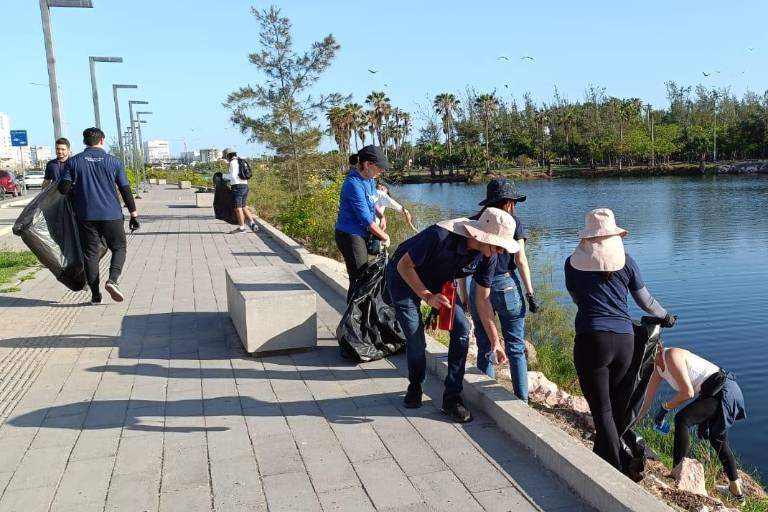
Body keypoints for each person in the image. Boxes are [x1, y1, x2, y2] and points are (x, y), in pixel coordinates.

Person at [564, 208, 675, 469]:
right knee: (614, 408)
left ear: (587, 237)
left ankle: (616, 470)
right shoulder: (628, 262)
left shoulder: (572, 264)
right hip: (625, 342)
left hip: (592, 341)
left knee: (602, 412)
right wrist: (666, 316)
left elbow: (577, 299)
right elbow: (646, 301)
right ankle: (606, 460)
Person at [387, 207, 518, 423]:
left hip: (440, 282)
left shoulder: (489, 256)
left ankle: (452, 397)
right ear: (482, 236)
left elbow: (483, 300)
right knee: (415, 337)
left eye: (503, 248)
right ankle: (415, 385)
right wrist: (427, 296)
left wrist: (495, 341)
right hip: (403, 276)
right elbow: (404, 265)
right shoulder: (440, 236)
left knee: (462, 329)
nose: (500, 252)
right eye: (498, 246)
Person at [639, 345, 746, 503]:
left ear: (654, 350)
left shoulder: (671, 355)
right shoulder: (657, 369)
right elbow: (646, 402)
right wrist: (632, 421)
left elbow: (687, 393)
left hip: (723, 390)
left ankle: (678, 472)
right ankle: (737, 493)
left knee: (682, 419)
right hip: (713, 392)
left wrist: (665, 408)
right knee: (718, 441)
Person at [465, 179, 537, 401]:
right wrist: (530, 292)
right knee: (515, 347)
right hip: (506, 284)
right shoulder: (514, 223)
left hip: (478, 287)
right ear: (507, 202)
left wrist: (462, 294)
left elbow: (463, 262)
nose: (514, 206)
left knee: (484, 343)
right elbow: (521, 259)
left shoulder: (476, 222)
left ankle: (484, 398)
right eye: (513, 201)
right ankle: (521, 400)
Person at [58, 128, 139, 305]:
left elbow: (63, 189)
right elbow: (125, 189)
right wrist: (133, 214)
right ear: (102, 140)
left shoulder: (74, 162)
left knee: (90, 254)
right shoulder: (114, 162)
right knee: (119, 247)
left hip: (86, 215)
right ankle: (113, 280)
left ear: (84, 141)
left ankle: (95, 295)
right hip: (112, 214)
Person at [335, 145, 390, 301]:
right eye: (379, 167)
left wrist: (381, 216)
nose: (382, 170)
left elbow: (371, 202)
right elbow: (366, 220)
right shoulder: (353, 184)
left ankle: (359, 313)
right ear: (367, 164)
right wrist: (384, 236)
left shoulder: (370, 180)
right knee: (359, 279)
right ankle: (352, 315)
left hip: (362, 233)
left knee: (363, 278)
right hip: (350, 235)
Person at [222, 148, 258, 234]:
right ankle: (252, 223)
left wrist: (222, 175)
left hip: (237, 187)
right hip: (245, 186)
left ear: (228, 155)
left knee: (238, 208)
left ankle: (242, 228)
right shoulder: (242, 161)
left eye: (226, 157)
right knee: (243, 206)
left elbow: (233, 176)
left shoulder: (233, 163)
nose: (226, 159)